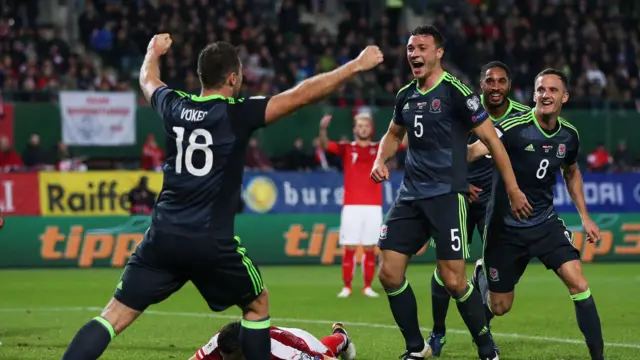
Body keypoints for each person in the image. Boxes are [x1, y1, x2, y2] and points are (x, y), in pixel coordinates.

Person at [60, 34, 383, 360]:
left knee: (112, 316)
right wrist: (355, 66)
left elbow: (147, 79)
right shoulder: (237, 113)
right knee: (257, 305)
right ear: (233, 77)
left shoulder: (175, 105)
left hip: (163, 236)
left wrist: (152, 51)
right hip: (209, 241)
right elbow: (300, 95)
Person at [370, 25, 531, 360]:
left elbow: (492, 143)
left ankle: (486, 345)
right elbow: (392, 134)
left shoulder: (458, 93)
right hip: (410, 195)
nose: (414, 54)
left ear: (438, 53)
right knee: (388, 271)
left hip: (446, 197)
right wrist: (380, 158)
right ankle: (416, 348)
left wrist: (513, 189)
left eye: (422, 48)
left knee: (454, 280)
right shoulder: (406, 95)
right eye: (410, 48)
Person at [467, 68, 605, 360]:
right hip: (505, 230)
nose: (546, 95)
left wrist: (585, 217)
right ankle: (483, 276)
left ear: (564, 97)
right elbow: (475, 151)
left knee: (578, 282)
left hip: (544, 223)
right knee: (500, 307)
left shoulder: (569, 136)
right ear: (533, 95)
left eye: (553, 90)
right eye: (541, 90)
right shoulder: (513, 127)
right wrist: (447, 162)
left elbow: (572, 173)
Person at [427, 61, 530, 356]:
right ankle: (438, 330)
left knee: (497, 263)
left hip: (493, 201)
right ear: (481, 84)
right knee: (444, 270)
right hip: (458, 196)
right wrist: (460, 183)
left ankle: (482, 329)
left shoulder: (523, 117)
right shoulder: (464, 111)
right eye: (489, 81)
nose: (495, 87)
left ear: (508, 84)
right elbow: (442, 152)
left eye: (501, 81)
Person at [319, 113, 405, 298]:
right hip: (351, 207)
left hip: (373, 207)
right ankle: (347, 287)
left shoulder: (379, 148)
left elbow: (402, 143)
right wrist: (323, 129)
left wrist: (405, 122)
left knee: (369, 248)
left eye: (366, 125)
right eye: (360, 125)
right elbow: (326, 145)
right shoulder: (347, 148)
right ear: (354, 129)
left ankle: (367, 287)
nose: (363, 128)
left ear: (370, 129)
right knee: (349, 247)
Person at [190, 322, 356, 360]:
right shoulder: (221, 342)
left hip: (302, 342)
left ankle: (342, 336)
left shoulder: (283, 353)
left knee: (327, 350)